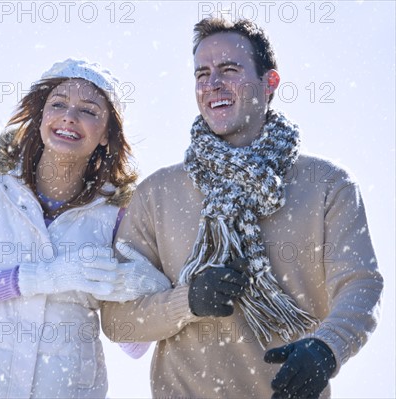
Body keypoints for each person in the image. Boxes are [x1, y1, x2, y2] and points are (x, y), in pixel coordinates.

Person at [101, 17, 384, 399]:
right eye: (202, 73)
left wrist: (326, 348)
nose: (212, 83)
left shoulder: (327, 185)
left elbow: (361, 286)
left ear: (269, 83)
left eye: (229, 70)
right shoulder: (158, 193)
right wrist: (187, 301)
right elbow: (118, 320)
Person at [0, 58, 170, 398]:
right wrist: (37, 278)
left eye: (89, 110)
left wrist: (146, 289)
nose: (69, 116)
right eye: (58, 104)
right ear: (40, 117)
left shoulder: (118, 214)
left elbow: (133, 345)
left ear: (106, 136)